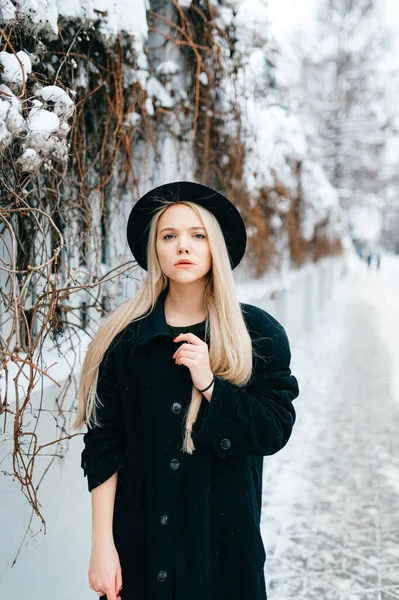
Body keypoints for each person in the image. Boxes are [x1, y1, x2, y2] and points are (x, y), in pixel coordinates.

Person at [72, 181, 300, 600]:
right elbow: (105, 445)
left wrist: (211, 384)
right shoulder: (123, 342)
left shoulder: (257, 336)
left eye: (197, 235)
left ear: (215, 246)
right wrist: (102, 546)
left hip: (225, 556)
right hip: (140, 553)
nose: (184, 247)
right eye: (169, 236)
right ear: (154, 250)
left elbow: (273, 431)